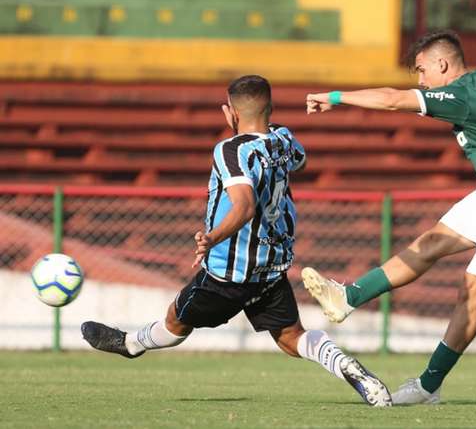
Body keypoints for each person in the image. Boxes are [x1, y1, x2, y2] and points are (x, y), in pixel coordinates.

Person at [80, 75, 392, 407]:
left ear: (231, 113)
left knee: (175, 321)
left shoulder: (230, 150)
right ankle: (346, 366)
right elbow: (300, 160)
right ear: (269, 109)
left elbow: (244, 206)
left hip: (228, 272)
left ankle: (131, 344)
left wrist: (212, 237)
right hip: (270, 267)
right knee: (291, 338)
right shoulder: (284, 138)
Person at [303, 30, 476, 405]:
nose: (421, 81)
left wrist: (335, 97)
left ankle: (428, 386)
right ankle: (347, 298)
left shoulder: (462, 94)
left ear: (443, 64)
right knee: (429, 243)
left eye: (423, 71)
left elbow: (392, 101)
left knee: (471, 292)